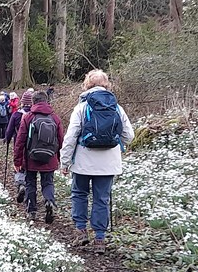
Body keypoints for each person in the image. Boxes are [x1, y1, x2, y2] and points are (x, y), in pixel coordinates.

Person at [59, 69, 134, 254]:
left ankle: (81, 231)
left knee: (79, 194)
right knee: (102, 199)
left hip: (83, 162)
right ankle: (100, 238)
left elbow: (70, 137)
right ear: (106, 84)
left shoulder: (82, 107)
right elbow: (129, 136)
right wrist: (116, 143)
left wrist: (65, 162)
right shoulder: (116, 107)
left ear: (87, 85)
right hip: (108, 163)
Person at [13, 91, 64, 223]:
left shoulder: (28, 117)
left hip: (31, 158)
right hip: (49, 158)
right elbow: (60, 140)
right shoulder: (55, 118)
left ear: (33, 102)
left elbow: (20, 141)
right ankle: (49, 201)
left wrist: (17, 161)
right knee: (48, 183)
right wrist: (58, 158)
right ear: (47, 101)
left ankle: (32, 211)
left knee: (30, 183)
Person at [5, 90, 34, 203]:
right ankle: (30, 194)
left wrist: (7, 140)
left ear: (22, 102)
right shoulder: (35, 115)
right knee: (30, 169)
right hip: (33, 147)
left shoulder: (16, 114)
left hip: (19, 145)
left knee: (19, 167)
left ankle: (21, 185)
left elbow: (9, 131)